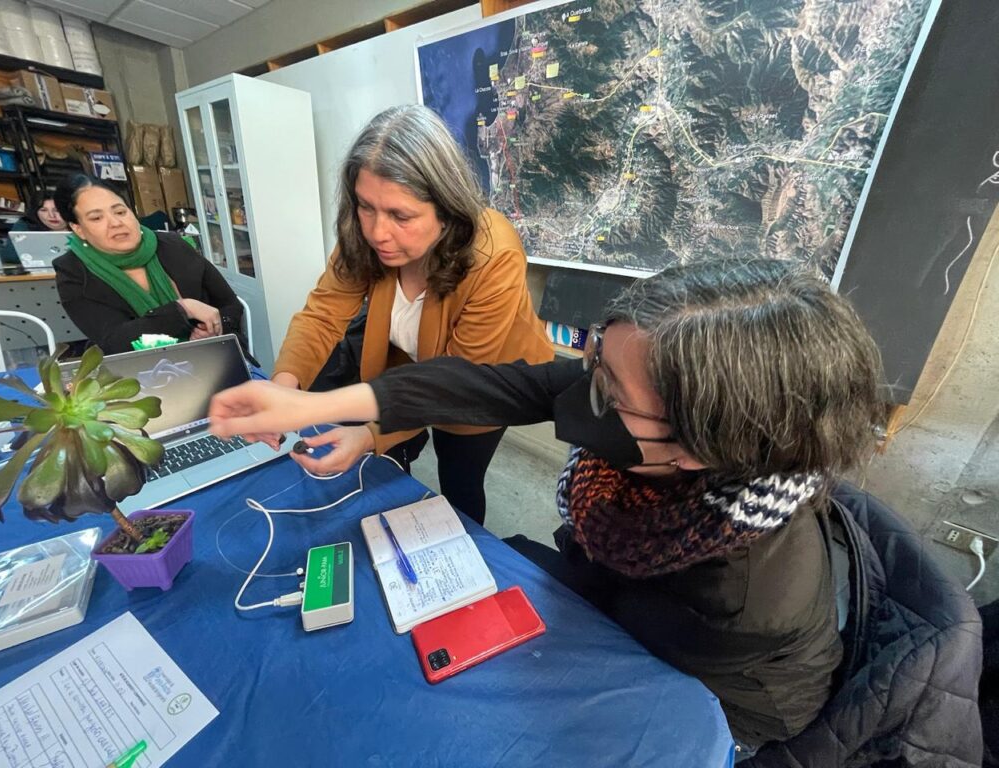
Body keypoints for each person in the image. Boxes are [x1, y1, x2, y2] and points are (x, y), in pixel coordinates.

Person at [209, 258, 886, 755]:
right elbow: (495, 386)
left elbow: (630, 681)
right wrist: (316, 405)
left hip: (717, 701)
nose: (583, 392)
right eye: (596, 364)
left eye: (611, 393)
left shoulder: (744, 590)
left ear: (705, 445)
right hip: (623, 602)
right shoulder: (649, 420)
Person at [270, 104, 552, 525]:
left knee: (459, 477)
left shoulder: (494, 256)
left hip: (482, 383)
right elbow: (323, 313)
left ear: (447, 209)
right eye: (366, 206)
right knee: (387, 461)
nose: (377, 232)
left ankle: (463, 547)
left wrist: (370, 434)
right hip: (414, 369)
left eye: (401, 216)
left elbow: (455, 379)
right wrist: (283, 388)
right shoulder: (363, 236)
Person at [52, 173, 246, 355]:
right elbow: (115, 342)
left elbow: (230, 306)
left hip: (212, 354)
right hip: (138, 371)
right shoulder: (73, 272)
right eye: (96, 218)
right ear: (78, 229)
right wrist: (182, 309)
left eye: (120, 211)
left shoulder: (174, 246)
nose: (115, 223)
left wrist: (213, 329)